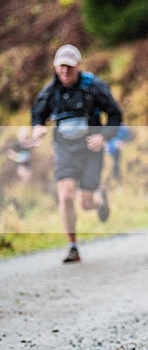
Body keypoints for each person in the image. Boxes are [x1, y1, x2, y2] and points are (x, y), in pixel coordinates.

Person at [31, 44, 123, 263]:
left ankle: (100, 201)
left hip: (91, 149)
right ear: (55, 66)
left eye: (69, 67)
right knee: (66, 194)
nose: (64, 71)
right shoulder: (50, 91)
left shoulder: (94, 86)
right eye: (60, 66)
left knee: (85, 202)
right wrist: (37, 127)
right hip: (65, 150)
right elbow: (38, 114)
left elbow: (115, 115)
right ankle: (72, 246)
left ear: (78, 66)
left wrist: (103, 136)